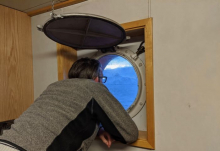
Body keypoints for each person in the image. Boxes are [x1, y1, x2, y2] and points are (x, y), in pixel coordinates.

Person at [0, 58, 138, 151]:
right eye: (102, 78)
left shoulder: (54, 86)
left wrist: (99, 130)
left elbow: (63, 117)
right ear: (97, 77)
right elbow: (130, 134)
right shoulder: (94, 87)